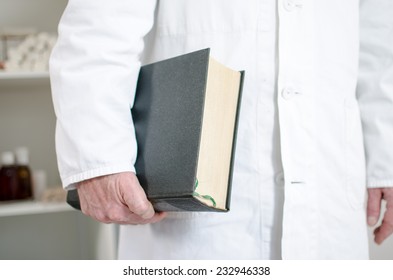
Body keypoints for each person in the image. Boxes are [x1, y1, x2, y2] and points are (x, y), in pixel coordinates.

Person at [49, 0, 393, 259]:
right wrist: (99, 158)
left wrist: (386, 160)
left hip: (329, 186)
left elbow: (380, 44)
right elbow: (99, 29)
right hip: (195, 214)